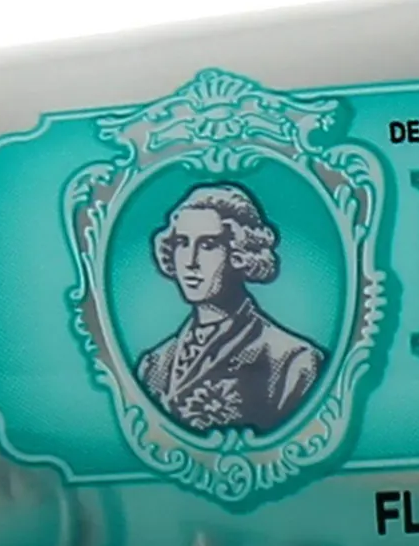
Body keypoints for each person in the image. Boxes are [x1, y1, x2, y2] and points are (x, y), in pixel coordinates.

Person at [135, 181, 327, 431]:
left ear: (241, 254)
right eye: (182, 243)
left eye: (208, 245)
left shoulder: (293, 361)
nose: (190, 261)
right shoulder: (154, 365)